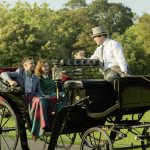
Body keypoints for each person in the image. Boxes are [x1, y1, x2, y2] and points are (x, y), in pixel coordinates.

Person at [0, 57, 57, 140]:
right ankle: (42, 127)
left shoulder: (36, 78)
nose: (34, 64)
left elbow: (39, 92)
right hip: (21, 97)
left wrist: (45, 96)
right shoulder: (19, 72)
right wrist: (10, 81)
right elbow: (2, 74)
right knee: (39, 100)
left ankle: (50, 125)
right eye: (31, 63)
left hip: (33, 97)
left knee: (44, 100)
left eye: (34, 63)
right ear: (25, 65)